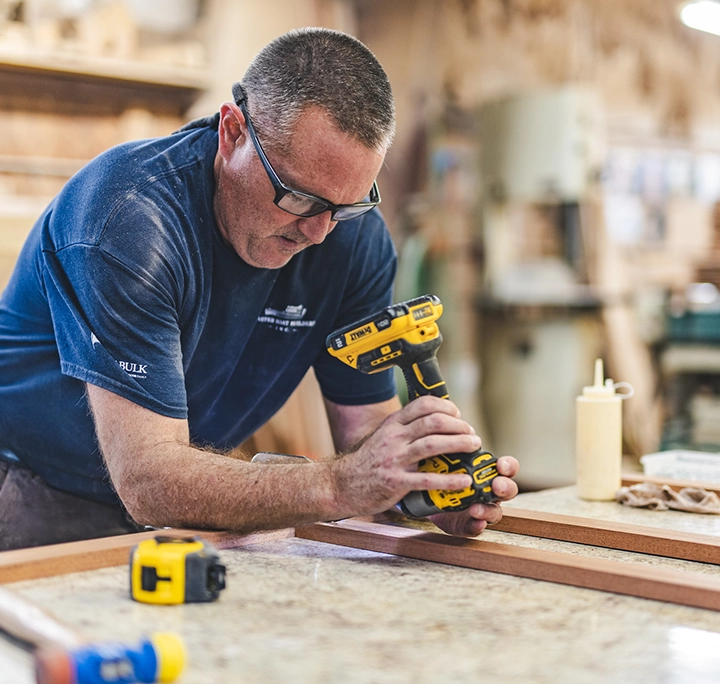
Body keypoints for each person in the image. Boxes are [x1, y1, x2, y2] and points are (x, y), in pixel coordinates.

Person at [0, 28, 518, 550]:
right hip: (37, 488)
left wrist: (422, 490)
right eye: (298, 197)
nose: (318, 232)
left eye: (346, 206)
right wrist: (340, 485)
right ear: (232, 132)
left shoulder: (351, 237)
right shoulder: (129, 222)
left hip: (184, 503)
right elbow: (150, 479)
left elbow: (366, 439)